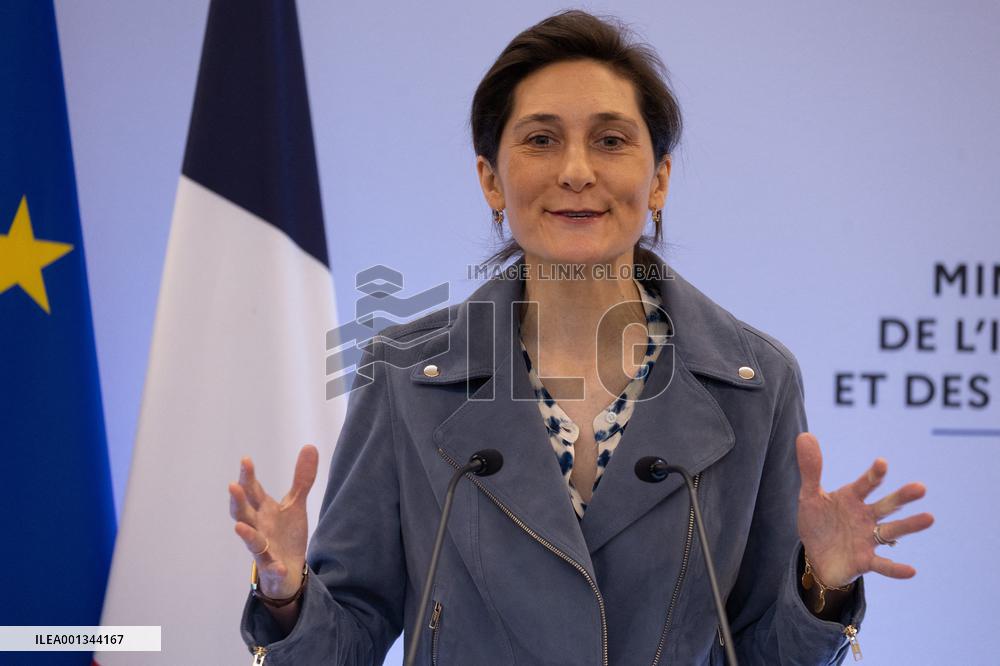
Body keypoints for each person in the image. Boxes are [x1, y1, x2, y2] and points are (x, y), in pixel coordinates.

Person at [229, 10, 934, 665]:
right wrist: (287, 595)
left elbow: (764, 650)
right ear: (491, 180)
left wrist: (823, 587)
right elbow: (346, 638)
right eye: (541, 140)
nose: (575, 171)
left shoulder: (756, 382)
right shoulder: (405, 376)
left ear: (658, 179)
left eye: (610, 140)